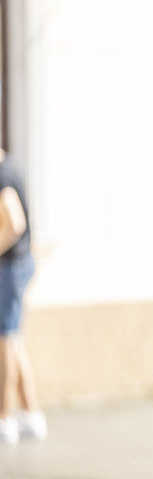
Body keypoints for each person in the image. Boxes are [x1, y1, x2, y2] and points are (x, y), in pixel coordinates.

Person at [0, 148, 46, 444]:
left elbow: (15, 224)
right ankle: (30, 414)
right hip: (19, 264)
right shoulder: (10, 168)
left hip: (11, 267)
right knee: (12, 339)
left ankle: (5, 419)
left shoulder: (2, 174)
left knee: (5, 339)